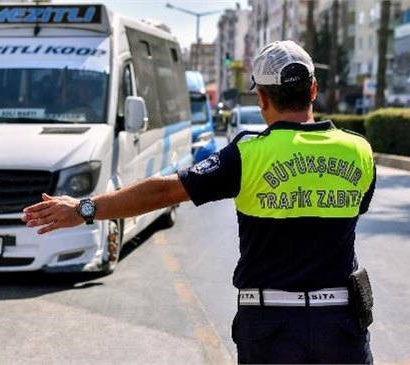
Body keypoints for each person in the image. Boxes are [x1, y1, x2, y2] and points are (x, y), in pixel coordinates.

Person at [21, 40, 376, 364]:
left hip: (272, 330)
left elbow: (164, 192)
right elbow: (352, 212)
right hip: (341, 327)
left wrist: (85, 208)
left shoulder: (248, 154)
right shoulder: (359, 151)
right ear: (313, 89)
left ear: (262, 98)